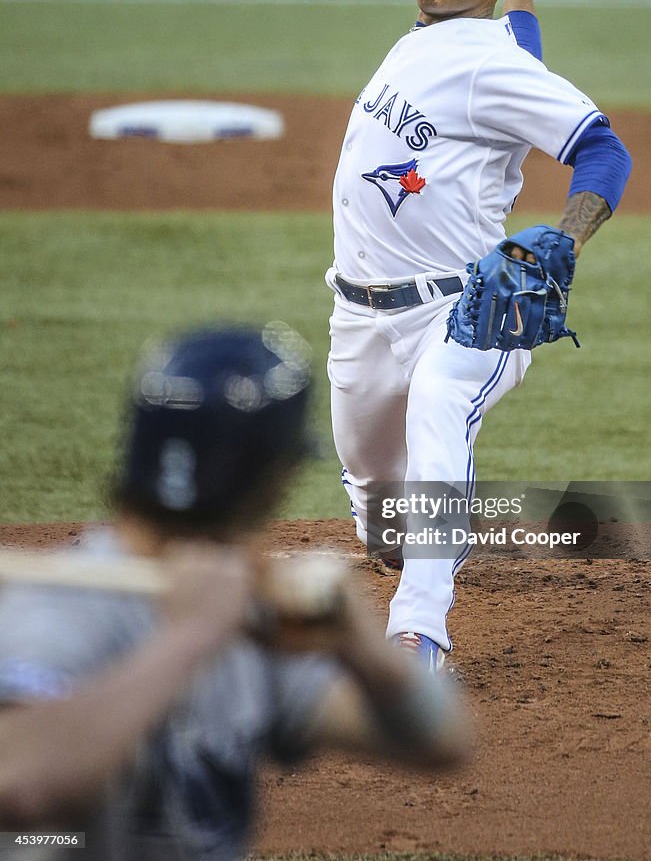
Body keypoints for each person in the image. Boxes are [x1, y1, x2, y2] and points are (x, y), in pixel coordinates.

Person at [0, 324, 468, 860]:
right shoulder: (60, 608)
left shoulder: (246, 612)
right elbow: (19, 784)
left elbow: (442, 742)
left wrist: (359, 642)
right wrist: (189, 639)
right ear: (259, 477)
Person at [326, 0, 632, 670]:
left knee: (439, 411)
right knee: (377, 507)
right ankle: (399, 543)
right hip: (358, 316)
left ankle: (417, 633)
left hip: (462, 313)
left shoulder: (485, 63)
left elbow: (603, 150)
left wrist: (563, 242)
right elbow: (521, 46)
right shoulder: (434, 40)